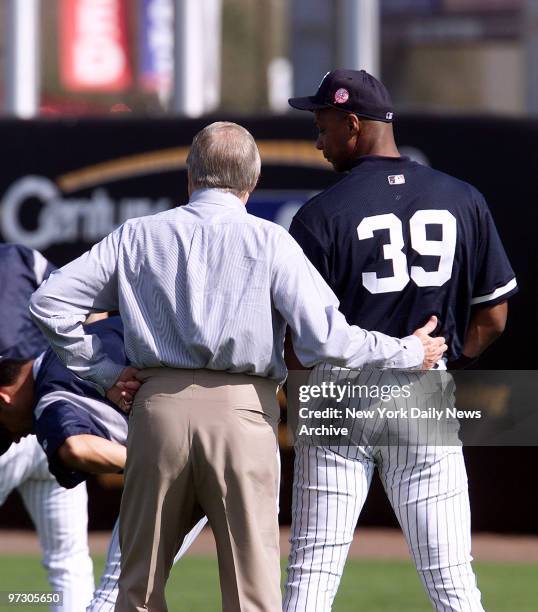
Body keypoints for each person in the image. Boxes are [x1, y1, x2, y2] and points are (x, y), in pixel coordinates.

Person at [29, 121, 445, 612]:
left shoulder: (137, 236)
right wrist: (408, 352)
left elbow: (49, 303)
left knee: (137, 590)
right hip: (243, 415)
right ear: (252, 182)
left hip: (157, 411)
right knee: (253, 595)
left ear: (190, 177)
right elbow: (326, 340)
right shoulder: (271, 242)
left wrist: (102, 370)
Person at [283, 69, 518, 611]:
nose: (318, 141)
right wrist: (437, 359)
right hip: (422, 387)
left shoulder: (320, 215)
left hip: (338, 391)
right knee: (453, 581)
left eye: (322, 125)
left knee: (311, 577)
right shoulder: (462, 197)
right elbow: (494, 318)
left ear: (353, 123)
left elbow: (298, 342)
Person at [0, 315, 206, 612]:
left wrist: (161, 463)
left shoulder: (48, 398)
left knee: (116, 593)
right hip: (243, 423)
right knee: (260, 578)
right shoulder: (90, 332)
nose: (16, 437)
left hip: (185, 454)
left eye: (4, 430)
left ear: (3, 399)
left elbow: (76, 447)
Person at [0, 243, 94, 612]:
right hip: (58, 421)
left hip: (13, 422)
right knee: (69, 561)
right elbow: (93, 311)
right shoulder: (19, 259)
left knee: (68, 561)